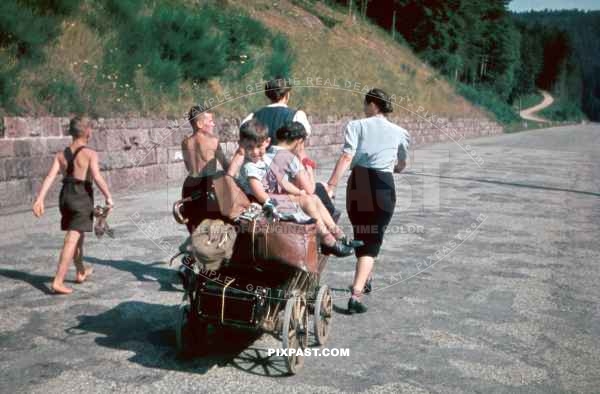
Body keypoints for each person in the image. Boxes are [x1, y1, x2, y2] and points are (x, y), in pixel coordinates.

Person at [325, 88, 410, 313]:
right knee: (372, 239)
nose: (363, 108)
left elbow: (346, 156)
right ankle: (356, 295)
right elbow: (401, 165)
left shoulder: (356, 126)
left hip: (359, 181)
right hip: (383, 183)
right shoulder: (400, 132)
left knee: (364, 233)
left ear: (373, 105)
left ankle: (365, 280)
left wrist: (331, 185)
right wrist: (392, 165)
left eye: (365, 104)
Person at [236, 119, 354, 257]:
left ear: (267, 142)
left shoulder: (266, 160)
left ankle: (338, 234)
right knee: (307, 202)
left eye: (259, 146)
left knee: (313, 197)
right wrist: (276, 201)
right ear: (241, 145)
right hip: (263, 203)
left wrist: (299, 192)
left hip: (275, 196)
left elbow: (282, 181)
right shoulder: (249, 167)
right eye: (250, 147)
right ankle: (328, 240)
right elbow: (260, 192)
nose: (255, 152)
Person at [231, 77, 337, 218]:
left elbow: (240, 151)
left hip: (261, 177)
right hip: (284, 175)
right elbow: (300, 151)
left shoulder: (252, 117)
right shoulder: (297, 116)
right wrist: (308, 170)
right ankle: (326, 231)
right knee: (318, 191)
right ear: (287, 95)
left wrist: (229, 177)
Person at [32, 116, 113, 295]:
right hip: (81, 197)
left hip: (65, 197)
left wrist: (40, 199)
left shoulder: (61, 155)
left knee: (78, 236)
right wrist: (108, 197)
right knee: (72, 237)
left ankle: (80, 271)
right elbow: (97, 177)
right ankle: (58, 281)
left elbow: (50, 177)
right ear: (87, 132)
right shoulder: (90, 154)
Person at [181, 105, 230, 233]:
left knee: (194, 225)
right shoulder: (213, 141)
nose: (213, 124)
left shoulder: (185, 142)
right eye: (210, 121)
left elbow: (187, 166)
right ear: (199, 124)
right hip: (208, 187)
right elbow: (226, 166)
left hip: (189, 186)